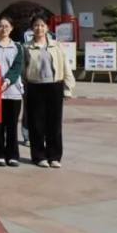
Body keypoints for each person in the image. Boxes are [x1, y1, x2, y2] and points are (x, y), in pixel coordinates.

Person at [23, 14, 75, 168]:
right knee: (36, 123)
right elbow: (22, 70)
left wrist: (68, 88)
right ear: (32, 28)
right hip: (35, 87)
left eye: (42, 25)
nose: (39, 28)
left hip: (54, 86)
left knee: (54, 123)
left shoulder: (56, 46)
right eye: (36, 25)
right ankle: (39, 156)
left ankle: (54, 156)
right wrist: (23, 89)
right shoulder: (26, 47)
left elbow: (66, 67)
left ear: (47, 28)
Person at [0, 16, 24, 167]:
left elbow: (17, 67)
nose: (3, 29)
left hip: (13, 92)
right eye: (0, 26)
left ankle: (13, 155)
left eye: (6, 26)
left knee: (11, 126)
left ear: (11, 28)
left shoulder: (17, 47)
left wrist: (7, 81)